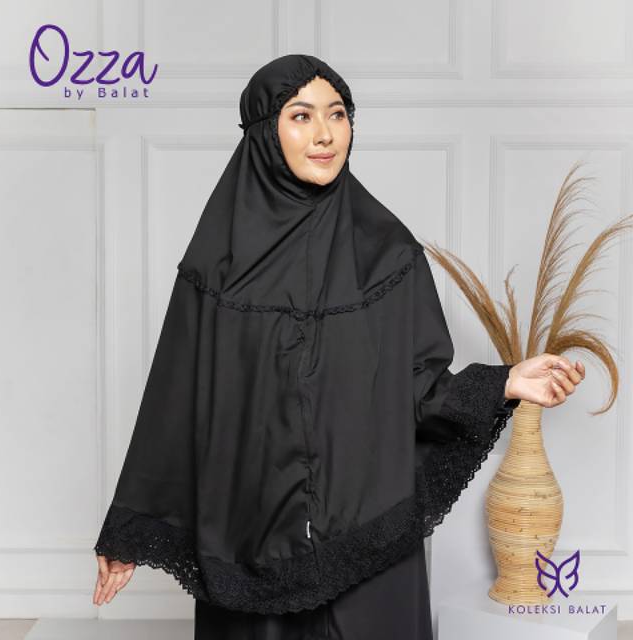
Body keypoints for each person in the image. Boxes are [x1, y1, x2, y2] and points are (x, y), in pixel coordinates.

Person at [92, 54, 585, 639]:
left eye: (338, 114)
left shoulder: (388, 252)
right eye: (301, 116)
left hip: (368, 536)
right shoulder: (215, 264)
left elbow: (419, 391)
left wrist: (505, 381)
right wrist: (131, 530)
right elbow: (175, 404)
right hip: (250, 540)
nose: (325, 134)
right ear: (265, 131)